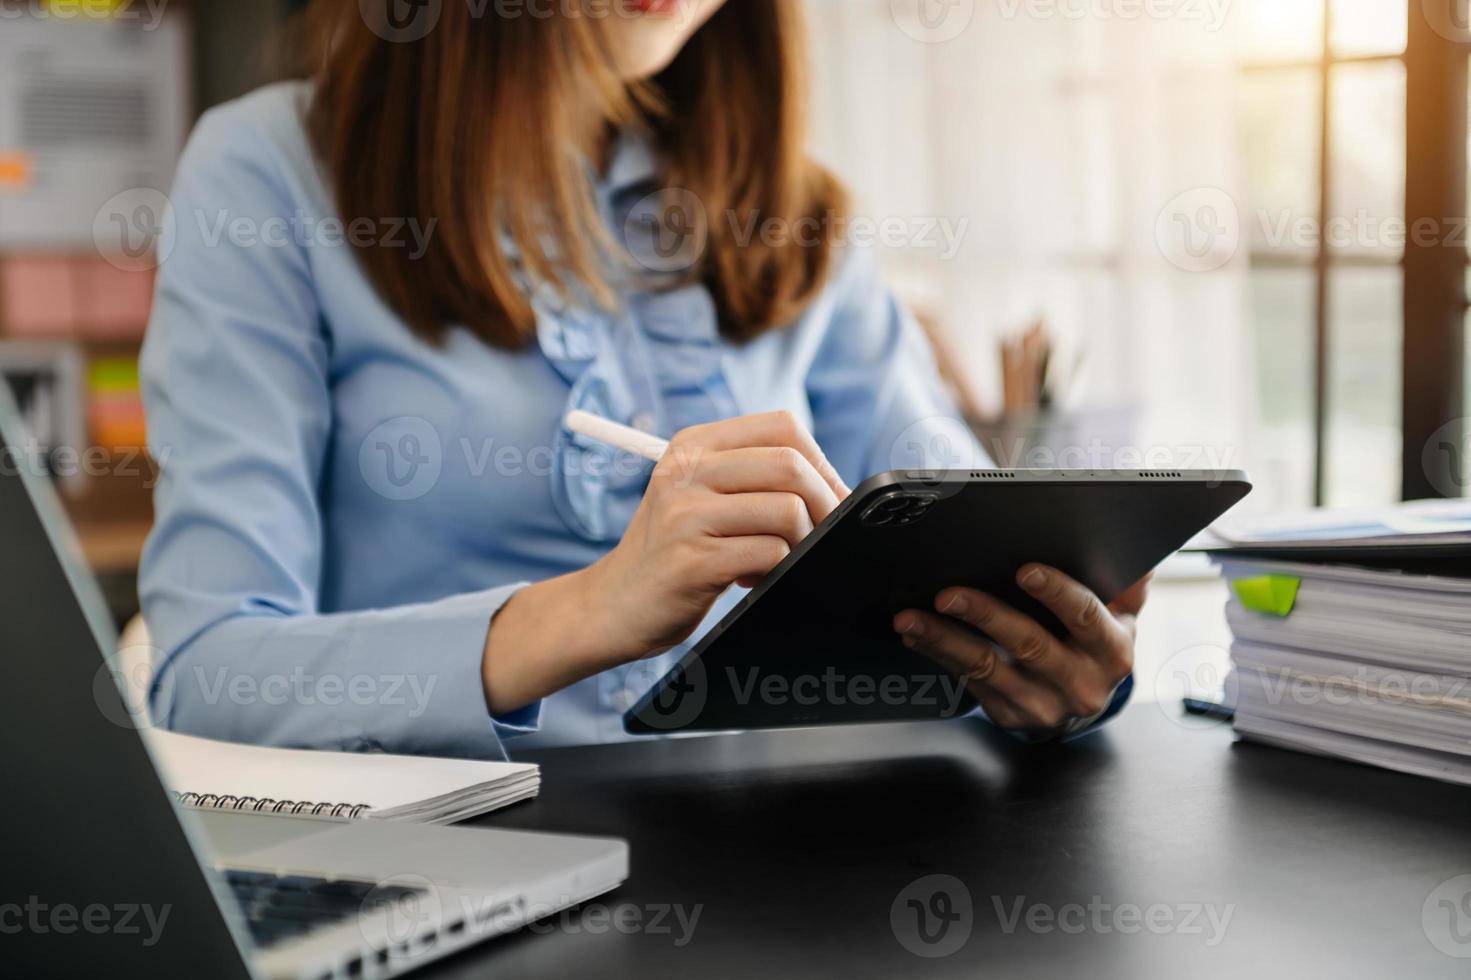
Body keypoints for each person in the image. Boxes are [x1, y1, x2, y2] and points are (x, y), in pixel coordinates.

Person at [139, 0, 1143, 757]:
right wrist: (592, 608)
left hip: (790, 878)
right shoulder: (267, 172)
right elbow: (206, 674)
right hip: (454, 869)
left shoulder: (789, 212)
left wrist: (1047, 659)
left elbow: (959, 547)